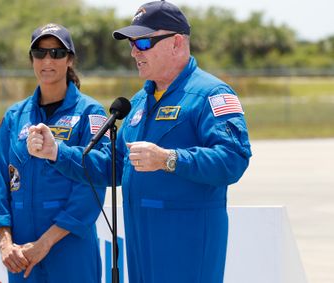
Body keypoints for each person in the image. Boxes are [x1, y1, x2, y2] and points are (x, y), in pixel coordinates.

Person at [28, 1, 252, 282]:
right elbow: (115, 165)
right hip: (140, 242)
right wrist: (57, 152)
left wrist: (169, 159)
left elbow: (233, 159)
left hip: (186, 243)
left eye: (143, 43)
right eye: (132, 44)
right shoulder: (138, 102)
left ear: (176, 43)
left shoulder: (211, 94)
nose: (134, 52)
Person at [0, 23, 108, 282]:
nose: (47, 60)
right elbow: (0, 183)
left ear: (70, 59)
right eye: (40, 53)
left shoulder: (91, 113)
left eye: (56, 53)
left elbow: (92, 184)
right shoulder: (15, 116)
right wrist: (6, 244)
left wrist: (44, 244)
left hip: (70, 247)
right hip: (22, 254)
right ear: (31, 59)